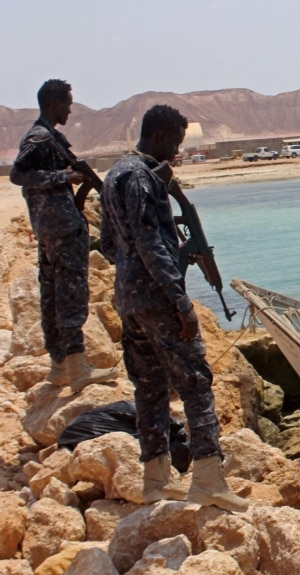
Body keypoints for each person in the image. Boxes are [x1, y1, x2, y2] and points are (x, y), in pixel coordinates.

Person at [100, 104, 247, 513]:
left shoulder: (115, 174)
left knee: (149, 388)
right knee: (196, 384)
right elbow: (150, 245)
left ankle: (156, 479)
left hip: (129, 300)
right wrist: (180, 302)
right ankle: (208, 480)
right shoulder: (142, 178)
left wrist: (144, 265)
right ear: (161, 136)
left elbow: (110, 245)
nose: (176, 154)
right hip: (158, 299)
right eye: (176, 144)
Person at [9, 79, 118, 393]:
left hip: (51, 228)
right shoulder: (41, 138)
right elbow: (18, 174)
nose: (71, 109)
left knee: (53, 294)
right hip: (62, 229)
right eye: (68, 103)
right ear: (55, 103)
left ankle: (59, 366)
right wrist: (64, 176)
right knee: (70, 294)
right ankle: (77, 366)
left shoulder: (47, 137)